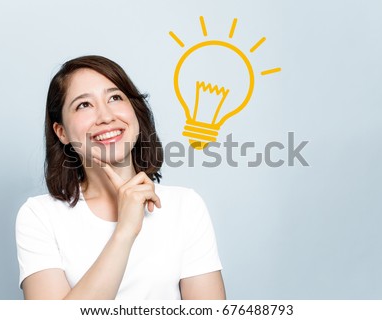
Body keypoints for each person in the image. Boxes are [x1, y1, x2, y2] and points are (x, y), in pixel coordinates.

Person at [15, 55, 225, 299]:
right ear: (61, 132)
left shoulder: (185, 206)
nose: (105, 116)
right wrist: (125, 231)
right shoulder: (39, 216)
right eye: (84, 105)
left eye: (115, 98)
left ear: (135, 112)